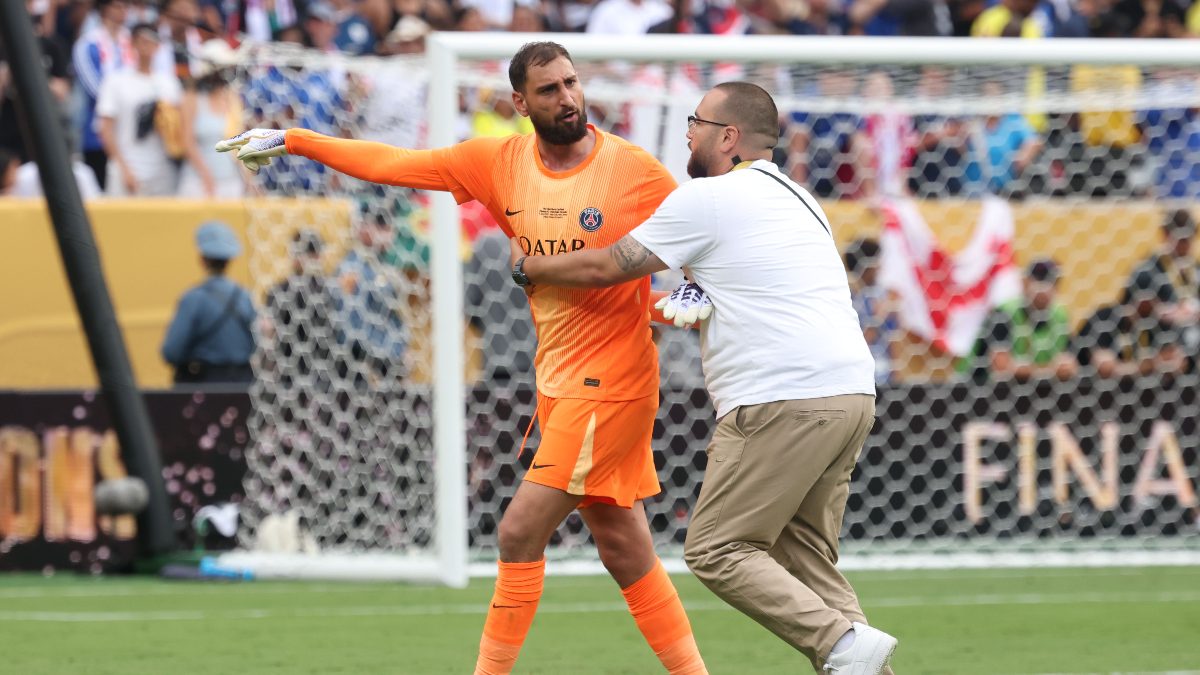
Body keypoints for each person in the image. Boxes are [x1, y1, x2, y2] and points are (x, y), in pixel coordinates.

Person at [216, 41, 709, 675]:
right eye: (550, 90)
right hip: (560, 382)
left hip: (609, 386)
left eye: (572, 83)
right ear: (519, 102)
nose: (568, 98)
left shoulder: (634, 170)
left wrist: (692, 290)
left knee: (517, 533)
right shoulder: (497, 163)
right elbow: (394, 161)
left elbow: (699, 232)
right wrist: (294, 140)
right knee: (623, 545)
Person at [511, 81, 897, 674]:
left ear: (728, 136)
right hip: (851, 393)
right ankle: (858, 656)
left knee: (717, 548)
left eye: (696, 121)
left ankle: (843, 646)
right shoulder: (801, 198)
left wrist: (531, 266)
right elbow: (726, 294)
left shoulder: (709, 199)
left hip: (779, 398)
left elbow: (607, 264)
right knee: (806, 560)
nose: (687, 132)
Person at [95, 23, 184, 197]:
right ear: (132, 44)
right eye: (141, 41)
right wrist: (123, 168)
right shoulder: (116, 81)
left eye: (150, 42)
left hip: (162, 171)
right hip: (127, 168)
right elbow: (105, 129)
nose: (145, 47)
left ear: (158, 46)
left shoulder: (169, 83)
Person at [161, 221, 256, 385]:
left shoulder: (193, 299)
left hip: (204, 385)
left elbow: (171, 352)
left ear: (202, 260)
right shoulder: (245, 296)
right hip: (242, 384)